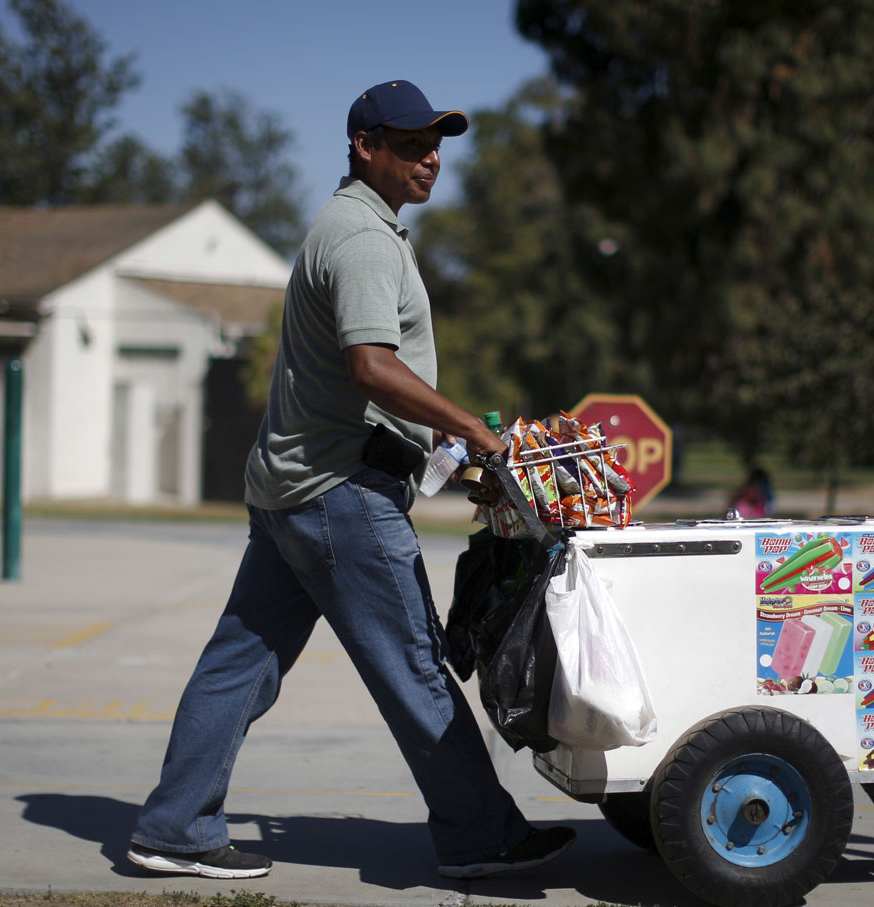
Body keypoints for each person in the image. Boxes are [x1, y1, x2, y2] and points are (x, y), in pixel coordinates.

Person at [126, 80, 575, 881]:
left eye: (436, 144)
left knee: (238, 663)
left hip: (293, 490)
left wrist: (438, 437)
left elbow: (366, 376)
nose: (430, 158)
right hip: (342, 494)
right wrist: (471, 426)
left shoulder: (349, 227)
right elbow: (371, 367)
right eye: (409, 144)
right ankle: (481, 834)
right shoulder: (365, 239)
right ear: (364, 146)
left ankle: (173, 826)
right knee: (413, 665)